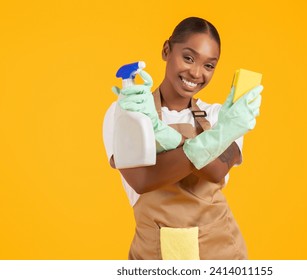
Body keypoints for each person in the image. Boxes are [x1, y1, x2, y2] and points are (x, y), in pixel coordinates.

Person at [103, 17, 263, 260]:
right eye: (188, 58)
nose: (196, 73)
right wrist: (217, 137)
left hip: (221, 254)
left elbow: (215, 171)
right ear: (167, 50)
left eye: (209, 66)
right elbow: (143, 180)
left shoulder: (222, 115)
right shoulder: (126, 112)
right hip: (153, 256)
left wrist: (163, 134)